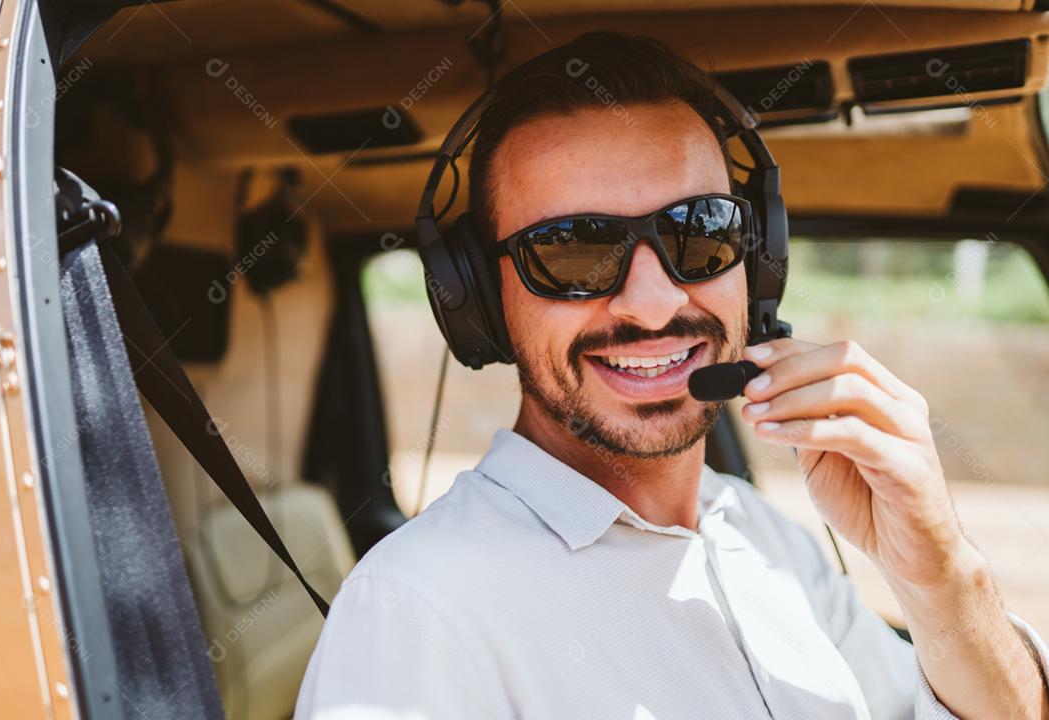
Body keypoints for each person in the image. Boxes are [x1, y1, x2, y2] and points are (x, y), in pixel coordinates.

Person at [296, 32, 1049, 719]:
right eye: (571, 252)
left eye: (700, 232)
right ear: (480, 303)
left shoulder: (761, 535)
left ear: (757, 266)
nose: (654, 306)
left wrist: (944, 576)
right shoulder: (415, 612)